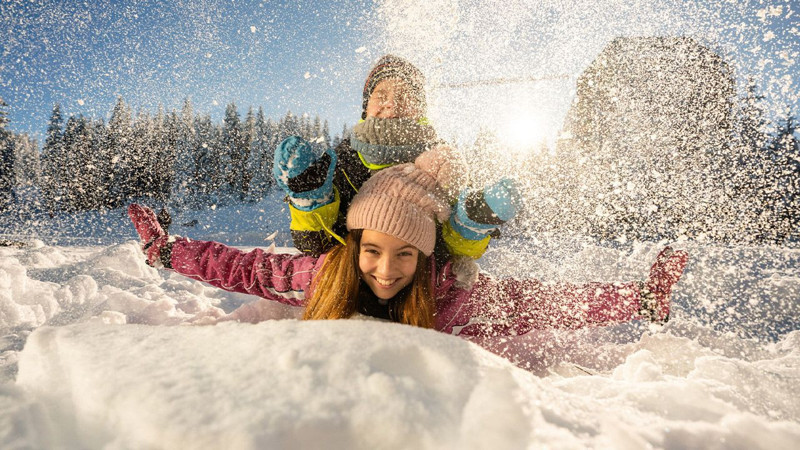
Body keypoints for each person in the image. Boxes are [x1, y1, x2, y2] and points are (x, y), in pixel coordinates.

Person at [128, 151, 689, 337]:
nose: (386, 269)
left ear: (426, 256)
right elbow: (242, 268)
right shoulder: (326, 275)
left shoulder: (454, 295)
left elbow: (545, 305)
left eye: (405, 254)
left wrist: (639, 299)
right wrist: (165, 251)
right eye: (372, 249)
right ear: (354, 244)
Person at [273, 54, 519, 265]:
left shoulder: (443, 164)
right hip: (347, 286)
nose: (391, 103)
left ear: (420, 110)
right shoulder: (340, 162)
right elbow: (314, 247)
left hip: (421, 293)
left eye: (404, 96)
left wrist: (471, 226)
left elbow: (455, 258)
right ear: (366, 107)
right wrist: (310, 202)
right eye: (381, 94)